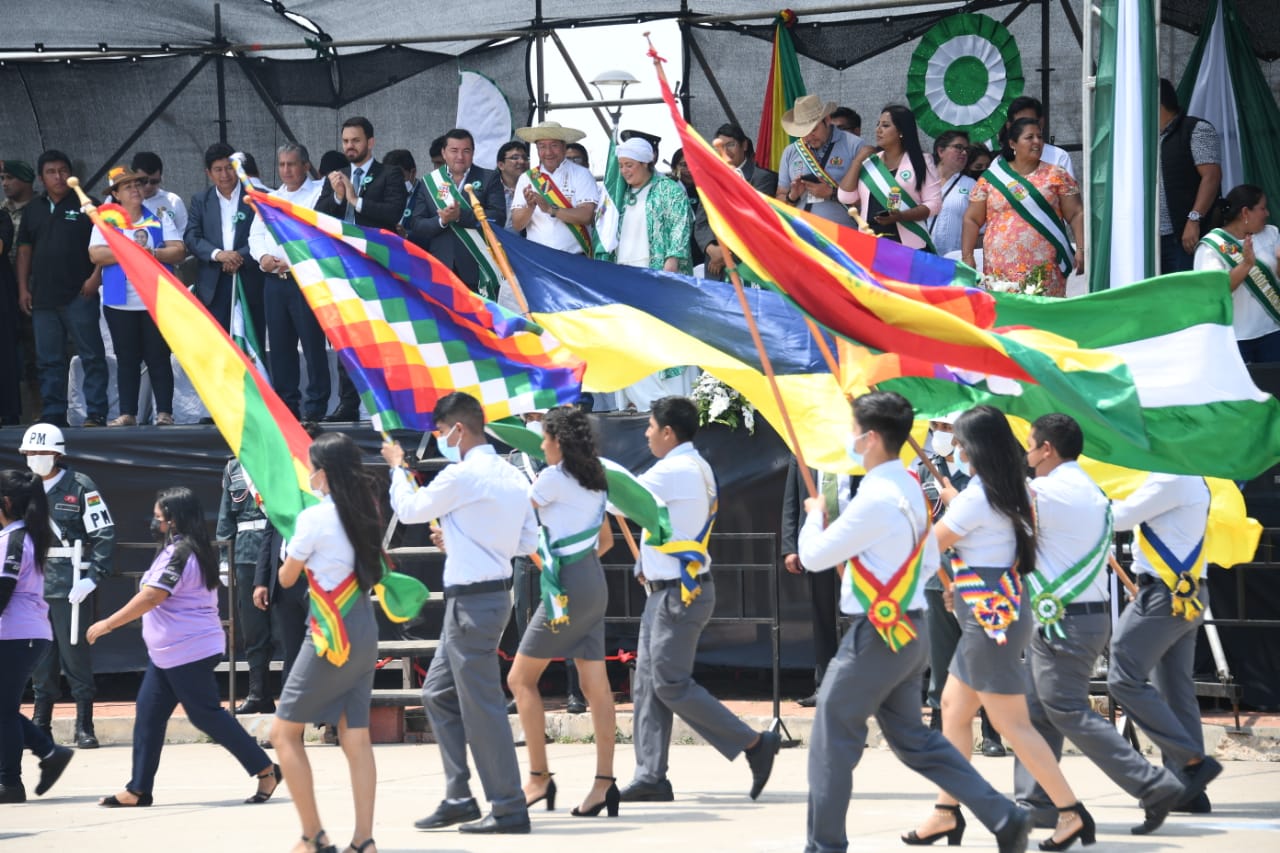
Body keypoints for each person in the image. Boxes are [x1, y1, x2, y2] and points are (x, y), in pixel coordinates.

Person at [799, 392, 1033, 853]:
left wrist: (814, 517)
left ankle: (824, 845)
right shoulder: (908, 485)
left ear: (870, 438)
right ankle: (1002, 814)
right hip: (910, 628)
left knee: (832, 739)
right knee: (914, 740)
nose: (849, 439)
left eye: (853, 431)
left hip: (876, 634)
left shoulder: (875, 496)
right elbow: (927, 559)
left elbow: (814, 556)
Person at [906, 405, 1092, 852]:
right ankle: (946, 810)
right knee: (953, 709)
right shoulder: (1011, 489)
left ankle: (1071, 812)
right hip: (996, 609)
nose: (957, 449)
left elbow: (926, 548)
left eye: (960, 441)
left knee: (1012, 725)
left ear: (976, 447)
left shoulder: (979, 496)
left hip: (990, 620)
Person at [1015, 414, 1187, 835]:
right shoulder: (1090, 489)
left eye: (1030, 446)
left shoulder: (1046, 492)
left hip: (1063, 621)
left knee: (1066, 711)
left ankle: (1152, 784)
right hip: (1081, 616)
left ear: (1047, 450)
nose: (1027, 455)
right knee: (1037, 711)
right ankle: (1037, 801)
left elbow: (999, 515)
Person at [381, 392, 536, 835]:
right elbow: (525, 542)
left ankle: (507, 805)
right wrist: (465, 541)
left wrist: (397, 467)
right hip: (486, 595)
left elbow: (410, 508)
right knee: (436, 693)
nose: (440, 439)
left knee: (481, 707)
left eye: (440, 432)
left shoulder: (463, 474)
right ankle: (459, 796)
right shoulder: (511, 474)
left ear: (458, 430)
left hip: (472, 600)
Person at [619, 396, 781, 803]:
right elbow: (666, 524)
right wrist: (647, 562)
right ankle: (650, 775)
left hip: (677, 593)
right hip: (671, 588)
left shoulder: (673, 469)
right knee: (648, 686)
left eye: (650, 427)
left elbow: (620, 499)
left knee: (669, 684)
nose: (646, 434)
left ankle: (753, 743)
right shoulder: (695, 465)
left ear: (668, 432)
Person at [86, 487, 278, 808]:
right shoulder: (179, 549)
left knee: (206, 716)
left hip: (189, 650)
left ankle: (266, 770)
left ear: (174, 519)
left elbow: (152, 596)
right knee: (149, 714)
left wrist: (107, 624)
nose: (155, 523)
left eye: (159, 517)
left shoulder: (182, 553)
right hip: (169, 653)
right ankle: (138, 790)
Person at [506, 406, 621, 817]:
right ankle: (604, 784)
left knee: (519, 679)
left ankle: (539, 778)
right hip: (593, 581)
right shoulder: (595, 478)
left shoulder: (552, 478)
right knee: (596, 687)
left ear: (558, 441)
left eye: (545, 437)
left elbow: (517, 522)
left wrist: (552, 568)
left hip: (567, 588)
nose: (541, 445)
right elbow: (606, 541)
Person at [271, 432, 383, 853]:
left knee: (283, 732)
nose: (309, 473)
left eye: (312, 467)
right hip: (363, 625)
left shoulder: (314, 519)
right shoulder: (367, 511)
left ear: (324, 473)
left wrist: (291, 540)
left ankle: (313, 835)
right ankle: (364, 840)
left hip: (329, 630)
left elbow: (286, 578)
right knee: (356, 735)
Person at [1107, 472, 1223, 818]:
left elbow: (1118, 518)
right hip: (1182, 592)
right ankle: (1187, 790)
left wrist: (1085, 500)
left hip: (1163, 594)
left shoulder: (1169, 477)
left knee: (1123, 676)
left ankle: (1191, 762)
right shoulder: (1189, 476)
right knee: (1175, 690)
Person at [20, 422, 114, 749]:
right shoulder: (22, 487)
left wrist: (93, 577)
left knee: (75, 656)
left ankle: (84, 724)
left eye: (41, 452)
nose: (35, 457)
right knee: (39, 659)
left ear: (57, 454)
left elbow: (104, 534)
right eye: (30, 452)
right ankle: (40, 725)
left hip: (69, 582)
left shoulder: (80, 486)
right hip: (31, 584)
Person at [916, 415, 1004, 756]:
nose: (942, 434)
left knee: (984, 655)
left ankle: (992, 732)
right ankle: (939, 726)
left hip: (977, 577)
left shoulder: (981, 476)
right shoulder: (923, 469)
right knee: (942, 656)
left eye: (948, 428)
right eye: (937, 427)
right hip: (938, 574)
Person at [315, 117, 407, 423]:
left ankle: (392, 403)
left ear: (371, 142)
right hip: (343, 268)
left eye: (355, 140)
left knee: (385, 334)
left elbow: (394, 212)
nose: (349, 146)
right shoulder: (335, 177)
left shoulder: (389, 173)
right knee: (347, 335)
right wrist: (338, 197)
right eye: (345, 141)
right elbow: (318, 216)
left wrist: (356, 200)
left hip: (377, 267)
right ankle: (348, 403)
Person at [16, 150, 108, 428]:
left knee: (92, 356)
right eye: (51, 172)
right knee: (48, 360)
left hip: (80, 294)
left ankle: (96, 412)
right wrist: (23, 288)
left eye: (63, 170)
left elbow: (106, 244)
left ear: (71, 173)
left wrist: (96, 278)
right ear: (41, 178)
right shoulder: (33, 209)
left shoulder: (88, 204)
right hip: (43, 297)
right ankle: (54, 413)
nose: (58, 177)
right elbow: (24, 252)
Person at [88, 166, 183, 427]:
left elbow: (178, 250)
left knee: (158, 357)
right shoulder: (106, 222)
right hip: (120, 301)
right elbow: (96, 254)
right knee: (127, 358)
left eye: (138, 184)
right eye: (128, 186)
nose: (135, 189)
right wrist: (130, 251)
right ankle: (127, 413)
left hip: (156, 299)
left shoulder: (158, 218)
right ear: (116, 195)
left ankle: (164, 412)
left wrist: (152, 253)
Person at [0, 470, 74, 803]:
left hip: (15, 634)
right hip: (22, 634)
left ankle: (10, 783)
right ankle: (48, 752)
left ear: (5, 502)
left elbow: (3, 590)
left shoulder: (14, 540)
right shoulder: (20, 536)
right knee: (3, 708)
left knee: (3, 710)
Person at [247, 142, 331, 420]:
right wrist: (262, 257)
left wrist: (292, 261)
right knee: (280, 347)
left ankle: (316, 407)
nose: (286, 170)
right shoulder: (270, 197)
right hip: (273, 282)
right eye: (282, 164)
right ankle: (288, 407)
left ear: (305, 166)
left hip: (304, 280)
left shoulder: (318, 192)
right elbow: (255, 235)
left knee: (312, 345)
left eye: (291, 164)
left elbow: (316, 233)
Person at [962, 118, 1084, 297]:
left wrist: (1081, 249)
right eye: (1029, 137)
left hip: (1045, 267)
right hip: (1000, 267)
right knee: (1007, 312)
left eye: (1039, 137)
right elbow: (972, 219)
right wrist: (967, 256)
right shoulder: (990, 178)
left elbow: (1076, 213)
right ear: (1013, 143)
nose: (1037, 142)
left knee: (1042, 311)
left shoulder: (1056, 175)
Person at [778, 457, 848, 708]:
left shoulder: (857, 450)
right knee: (822, 615)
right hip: (818, 544)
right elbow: (791, 501)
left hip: (855, 542)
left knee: (856, 616)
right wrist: (790, 547)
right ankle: (824, 686)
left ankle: (858, 684)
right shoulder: (804, 453)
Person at [407, 128, 506, 298]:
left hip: (479, 266)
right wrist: (442, 220)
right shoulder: (430, 182)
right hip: (442, 265)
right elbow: (417, 224)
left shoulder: (489, 178)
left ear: (473, 153)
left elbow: (498, 218)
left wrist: (461, 216)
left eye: (466, 151)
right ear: (444, 153)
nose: (460, 156)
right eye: (454, 150)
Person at [1194, 184, 1280, 363]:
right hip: (1236, 338)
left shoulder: (1271, 233)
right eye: (1262, 208)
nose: (1267, 213)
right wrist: (1246, 265)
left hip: (1272, 331)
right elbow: (1215, 291)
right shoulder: (1212, 246)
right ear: (1245, 212)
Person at [216, 456, 275, 714]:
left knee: (287, 628)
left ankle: (296, 697)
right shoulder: (233, 467)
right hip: (245, 551)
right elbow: (225, 516)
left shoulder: (280, 458)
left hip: (279, 550)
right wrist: (224, 557)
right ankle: (258, 693)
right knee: (253, 629)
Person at [185, 142, 264, 333]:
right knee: (218, 341)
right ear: (208, 173)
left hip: (250, 279)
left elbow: (265, 235)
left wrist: (238, 257)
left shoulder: (256, 196)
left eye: (229, 168)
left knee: (253, 340)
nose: (225, 175)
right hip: (213, 283)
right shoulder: (200, 200)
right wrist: (218, 255)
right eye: (218, 170)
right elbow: (191, 237)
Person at [840, 105, 941, 250]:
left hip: (907, 243)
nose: (878, 130)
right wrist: (857, 161)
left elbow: (934, 204)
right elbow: (845, 197)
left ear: (901, 131)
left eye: (885, 125)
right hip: (870, 241)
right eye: (878, 124)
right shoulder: (870, 162)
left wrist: (901, 216)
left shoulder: (921, 161)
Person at [696, 123, 778, 280]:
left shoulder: (762, 178)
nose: (726, 152)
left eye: (731, 145)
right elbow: (701, 222)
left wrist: (727, 253)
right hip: (715, 263)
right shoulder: (710, 179)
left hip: (747, 264)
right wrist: (711, 249)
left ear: (744, 145)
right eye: (720, 147)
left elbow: (755, 222)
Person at [1158, 78, 1222, 274]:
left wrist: (1194, 220)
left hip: (1184, 236)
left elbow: (1211, 177)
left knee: (1184, 289)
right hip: (1152, 238)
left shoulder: (1196, 129)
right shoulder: (1143, 137)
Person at [775, 93, 869, 225]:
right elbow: (780, 198)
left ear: (828, 119)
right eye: (803, 133)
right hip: (800, 231)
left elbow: (869, 198)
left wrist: (832, 193)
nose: (808, 137)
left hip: (842, 232)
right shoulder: (790, 151)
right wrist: (792, 196)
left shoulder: (854, 145)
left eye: (813, 130)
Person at [511, 121, 600, 256]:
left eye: (554, 145)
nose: (548, 152)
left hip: (576, 258)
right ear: (537, 149)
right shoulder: (527, 178)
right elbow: (517, 225)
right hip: (538, 258)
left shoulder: (581, 174)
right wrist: (529, 207)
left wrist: (550, 209)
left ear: (564, 147)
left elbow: (587, 216)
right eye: (542, 146)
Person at [2, 159, 37, 425]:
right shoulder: (3, 209)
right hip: (6, 290)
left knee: (37, 356)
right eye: (2, 178)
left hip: (33, 287)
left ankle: (40, 413)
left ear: (26, 179)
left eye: (9, 178)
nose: (4, 183)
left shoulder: (39, 207)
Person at [926, 131, 976, 257]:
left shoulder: (972, 185)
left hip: (953, 259)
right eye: (958, 147)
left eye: (966, 150)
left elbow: (979, 228)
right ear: (941, 151)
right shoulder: (922, 180)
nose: (964, 153)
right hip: (919, 256)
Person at [1003, 97, 1075, 177]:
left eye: (1031, 122)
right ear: (1009, 126)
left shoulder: (1059, 157)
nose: (1027, 127)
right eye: (1020, 123)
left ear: (1041, 123)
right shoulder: (999, 163)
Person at [130, 151, 188, 232]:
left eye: (154, 181)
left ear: (160, 178)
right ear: (132, 177)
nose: (148, 186)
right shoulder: (121, 200)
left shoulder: (173, 201)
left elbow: (183, 233)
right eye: (143, 181)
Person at [495, 141, 530, 230]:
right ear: (501, 165)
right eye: (515, 158)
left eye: (525, 158)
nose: (522, 161)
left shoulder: (533, 188)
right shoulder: (491, 188)